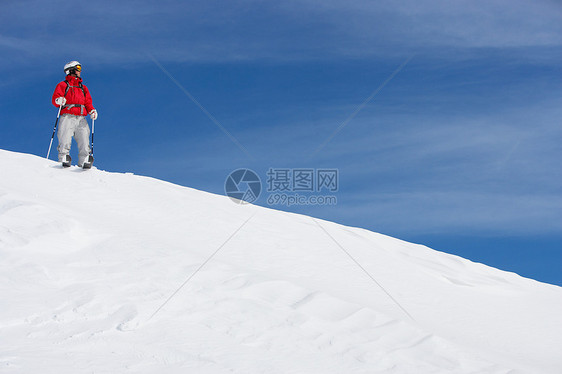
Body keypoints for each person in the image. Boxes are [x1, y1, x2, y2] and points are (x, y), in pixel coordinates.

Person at [51, 60, 98, 168]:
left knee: (84, 140)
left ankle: (84, 161)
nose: (80, 71)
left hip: (81, 118)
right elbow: (55, 99)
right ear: (71, 70)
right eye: (78, 68)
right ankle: (63, 157)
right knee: (65, 139)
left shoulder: (83, 88)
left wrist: (92, 110)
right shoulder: (63, 85)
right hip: (67, 116)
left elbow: (88, 102)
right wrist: (59, 100)